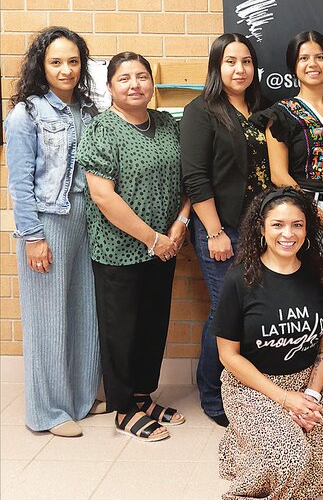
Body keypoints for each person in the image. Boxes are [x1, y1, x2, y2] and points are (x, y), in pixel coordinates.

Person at [254, 30, 323, 432]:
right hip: (300, 228)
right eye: (304, 58)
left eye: (319, 57)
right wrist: (318, 215)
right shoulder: (279, 114)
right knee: (307, 318)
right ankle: (307, 396)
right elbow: (279, 174)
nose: (313, 64)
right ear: (293, 66)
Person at [78, 51, 191, 442]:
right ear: (109, 87)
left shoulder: (165, 124)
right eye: (124, 78)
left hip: (166, 246)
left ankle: (144, 396)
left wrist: (178, 225)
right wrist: (152, 239)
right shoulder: (101, 130)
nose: (135, 85)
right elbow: (103, 197)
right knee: (121, 330)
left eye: (142, 77)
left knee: (152, 325)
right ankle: (123, 407)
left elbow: (189, 177)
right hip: (120, 251)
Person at [5, 27, 103, 437]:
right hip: (48, 221)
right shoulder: (25, 114)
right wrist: (33, 237)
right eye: (56, 62)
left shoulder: (89, 110)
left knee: (83, 310)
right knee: (48, 318)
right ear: (41, 66)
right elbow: (18, 183)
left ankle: (81, 396)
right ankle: (48, 411)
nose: (66, 69)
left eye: (73, 61)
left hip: (87, 219)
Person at [214, 187, 323, 500]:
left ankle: (245, 442)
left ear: (307, 228)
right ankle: (245, 439)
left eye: (297, 224)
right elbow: (228, 356)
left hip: (306, 384)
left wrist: (310, 395)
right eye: (278, 225)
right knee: (291, 461)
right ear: (261, 228)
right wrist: (285, 400)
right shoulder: (239, 279)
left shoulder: (320, 274)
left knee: (311, 485)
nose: (288, 233)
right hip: (252, 387)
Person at [181, 33, 269, 427]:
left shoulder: (263, 108)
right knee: (224, 312)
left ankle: (245, 388)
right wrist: (214, 231)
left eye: (247, 61)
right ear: (217, 66)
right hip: (223, 231)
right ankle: (213, 396)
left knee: (254, 312)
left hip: (264, 231)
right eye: (231, 61)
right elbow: (195, 177)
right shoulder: (201, 111)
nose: (240, 69)